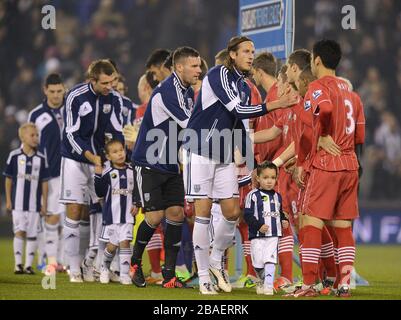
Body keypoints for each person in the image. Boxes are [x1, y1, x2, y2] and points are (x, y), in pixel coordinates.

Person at [183, 36, 298, 295]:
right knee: (201, 214)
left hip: (224, 154)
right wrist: (276, 104)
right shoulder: (218, 74)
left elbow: (239, 126)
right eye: (245, 51)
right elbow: (239, 111)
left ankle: (215, 261)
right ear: (232, 55)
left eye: (253, 52)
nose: (250, 55)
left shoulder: (245, 86)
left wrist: (250, 161)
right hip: (199, 150)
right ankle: (203, 277)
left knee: (233, 213)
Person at [293, 40, 364, 298]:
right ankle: (344, 284)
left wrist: (320, 134)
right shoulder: (353, 95)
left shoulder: (316, 87)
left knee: (310, 222)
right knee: (343, 228)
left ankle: (309, 285)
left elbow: (325, 109)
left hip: (327, 164)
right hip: (350, 165)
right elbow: (360, 135)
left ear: (317, 60)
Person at [126, 46, 201, 289]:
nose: (199, 70)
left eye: (200, 66)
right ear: (179, 68)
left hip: (169, 163)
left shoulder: (186, 91)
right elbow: (192, 125)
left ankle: (169, 275)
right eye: (194, 66)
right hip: (148, 162)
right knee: (155, 216)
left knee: (176, 215)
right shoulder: (169, 92)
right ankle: (135, 263)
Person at [60, 59, 124, 282]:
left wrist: (117, 154)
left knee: (108, 209)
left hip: (99, 160)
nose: (110, 86)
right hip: (75, 160)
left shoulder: (114, 99)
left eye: (113, 81)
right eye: (105, 83)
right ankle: (74, 268)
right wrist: (90, 156)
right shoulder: (75, 96)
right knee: (76, 211)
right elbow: (70, 133)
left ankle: (96, 264)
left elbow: (117, 131)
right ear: (92, 80)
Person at [28, 73, 65, 276]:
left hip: (68, 172)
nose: (56, 95)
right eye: (52, 92)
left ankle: (59, 260)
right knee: (50, 217)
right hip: (47, 175)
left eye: (60, 91)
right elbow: (31, 143)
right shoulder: (36, 115)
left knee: (65, 219)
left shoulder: (70, 109)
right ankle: (46, 259)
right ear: (45, 90)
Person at [4, 123, 50, 275]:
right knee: (19, 232)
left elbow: (44, 183)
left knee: (32, 234)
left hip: (34, 206)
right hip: (18, 204)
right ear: (22, 137)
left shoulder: (41, 159)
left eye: (37, 135)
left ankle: (29, 266)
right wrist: (9, 201)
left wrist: (44, 204)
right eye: (32, 135)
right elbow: (9, 179)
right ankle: (18, 265)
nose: (35, 138)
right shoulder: (14, 156)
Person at [244, 161, 289, 295]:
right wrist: (258, 226)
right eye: (265, 177)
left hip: (273, 234)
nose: (269, 181)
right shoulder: (252, 195)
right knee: (257, 264)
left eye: (272, 178)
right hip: (257, 235)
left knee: (270, 259)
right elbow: (247, 214)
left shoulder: (277, 196)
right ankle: (263, 280)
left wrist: (284, 220)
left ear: (276, 178)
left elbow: (279, 212)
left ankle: (268, 286)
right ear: (258, 178)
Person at [94, 140, 135, 285]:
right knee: (112, 246)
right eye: (115, 152)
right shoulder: (107, 173)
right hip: (112, 217)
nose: (119, 154)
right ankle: (104, 267)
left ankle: (124, 275)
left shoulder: (132, 171)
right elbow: (99, 192)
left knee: (125, 243)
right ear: (109, 156)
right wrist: (97, 176)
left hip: (128, 217)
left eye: (121, 150)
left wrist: (137, 203)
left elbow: (136, 191)